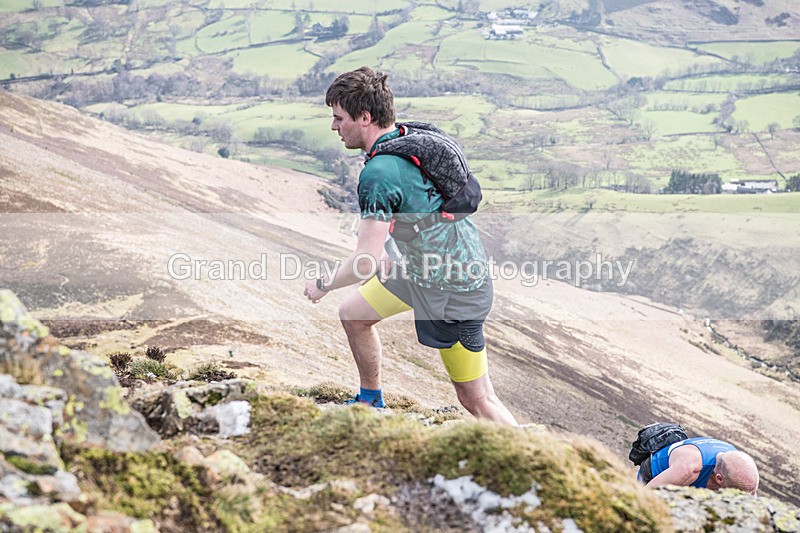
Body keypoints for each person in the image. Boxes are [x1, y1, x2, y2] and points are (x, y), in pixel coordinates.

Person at [303, 66, 517, 426]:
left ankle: (538, 465)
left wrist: (322, 285)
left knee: (477, 398)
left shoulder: (379, 172)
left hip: (455, 287)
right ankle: (371, 402)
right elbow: (409, 209)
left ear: (365, 117)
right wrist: (390, 248)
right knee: (354, 315)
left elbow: (363, 263)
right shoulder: (405, 137)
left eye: (339, 118)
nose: (334, 127)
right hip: (420, 270)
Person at [640, 436, 759, 494]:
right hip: (653, 475)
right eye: (739, 492)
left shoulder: (737, 462)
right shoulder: (688, 469)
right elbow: (644, 496)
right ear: (719, 478)